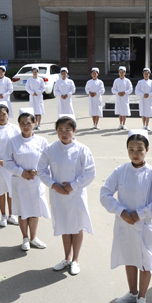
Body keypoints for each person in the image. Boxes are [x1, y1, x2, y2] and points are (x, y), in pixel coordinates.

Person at [100, 130, 152, 303]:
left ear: (147, 150)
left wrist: (140, 214)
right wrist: (120, 211)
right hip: (125, 223)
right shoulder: (120, 171)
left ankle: (142, 297)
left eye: (139, 149)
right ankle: (132, 293)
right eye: (131, 149)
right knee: (129, 258)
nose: (135, 153)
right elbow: (105, 193)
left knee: (146, 261)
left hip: (145, 225)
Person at [37, 114, 96, 276]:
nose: (64, 133)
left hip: (76, 195)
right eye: (60, 130)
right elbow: (41, 170)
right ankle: (67, 258)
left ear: (74, 131)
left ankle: (76, 259)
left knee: (76, 226)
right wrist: (53, 185)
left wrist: (74, 186)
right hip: (58, 194)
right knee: (64, 225)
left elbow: (90, 172)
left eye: (68, 130)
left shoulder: (83, 150)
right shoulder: (50, 149)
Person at [5, 109, 50, 251]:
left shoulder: (42, 141)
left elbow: (48, 160)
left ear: (34, 123)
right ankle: (25, 237)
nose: (25, 126)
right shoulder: (13, 142)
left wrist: (37, 171)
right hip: (20, 181)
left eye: (29, 123)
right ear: (18, 125)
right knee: (23, 210)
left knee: (35, 210)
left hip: (36, 181)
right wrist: (21, 172)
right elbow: (7, 162)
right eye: (22, 123)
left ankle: (34, 237)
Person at [112, 66, 133, 130]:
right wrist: (118, 93)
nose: (121, 74)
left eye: (122, 72)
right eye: (120, 72)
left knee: (124, 111)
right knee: (120, 111)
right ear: (118, 73)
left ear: (125, 73)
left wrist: (125, 92)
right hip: (118, 97)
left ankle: (124, 124)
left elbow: (130, 89)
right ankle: (120, 123)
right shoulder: (116, 80)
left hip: (125, 98)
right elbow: (113, 89)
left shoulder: (127, 81)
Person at [25, 66, 45, 130]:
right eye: (33, 72)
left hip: (38, 97)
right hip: (32, 96)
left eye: (36, 72)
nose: (34, 73)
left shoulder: (40, 80)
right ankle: (34, 124)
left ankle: (38, 124)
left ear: (38, 72)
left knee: (39, 111)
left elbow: (43, 88)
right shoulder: (29, 80)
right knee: (33, 111)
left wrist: (38, 92)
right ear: (32, 72)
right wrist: (32, 92)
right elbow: (27, 87)